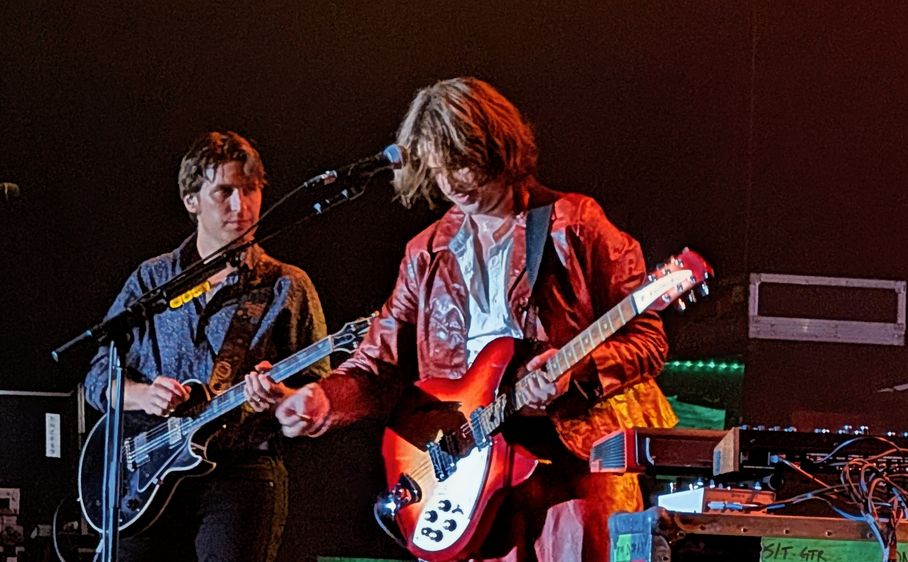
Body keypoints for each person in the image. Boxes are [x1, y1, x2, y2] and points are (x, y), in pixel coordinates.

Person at [254, 77, 678, 561]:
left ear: (498, 148)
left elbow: (648, 340)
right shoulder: (426, 252)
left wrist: (575, 374)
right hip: (469, 471)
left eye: (463, 164)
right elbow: (378, 363)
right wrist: (322, 399)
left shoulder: (573, 224)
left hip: (571, 463)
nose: (454, 183)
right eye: (439, 170)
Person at [83, 130, 329, 562]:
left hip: (241, 472)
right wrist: (144, 394)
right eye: (224, 192)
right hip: (147, 474)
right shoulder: (151, 280)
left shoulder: (286, 285)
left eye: (250, 190)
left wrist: (280, 399)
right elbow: (97, 379)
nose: (241, 206)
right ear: (191, 200)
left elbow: (319, 393)